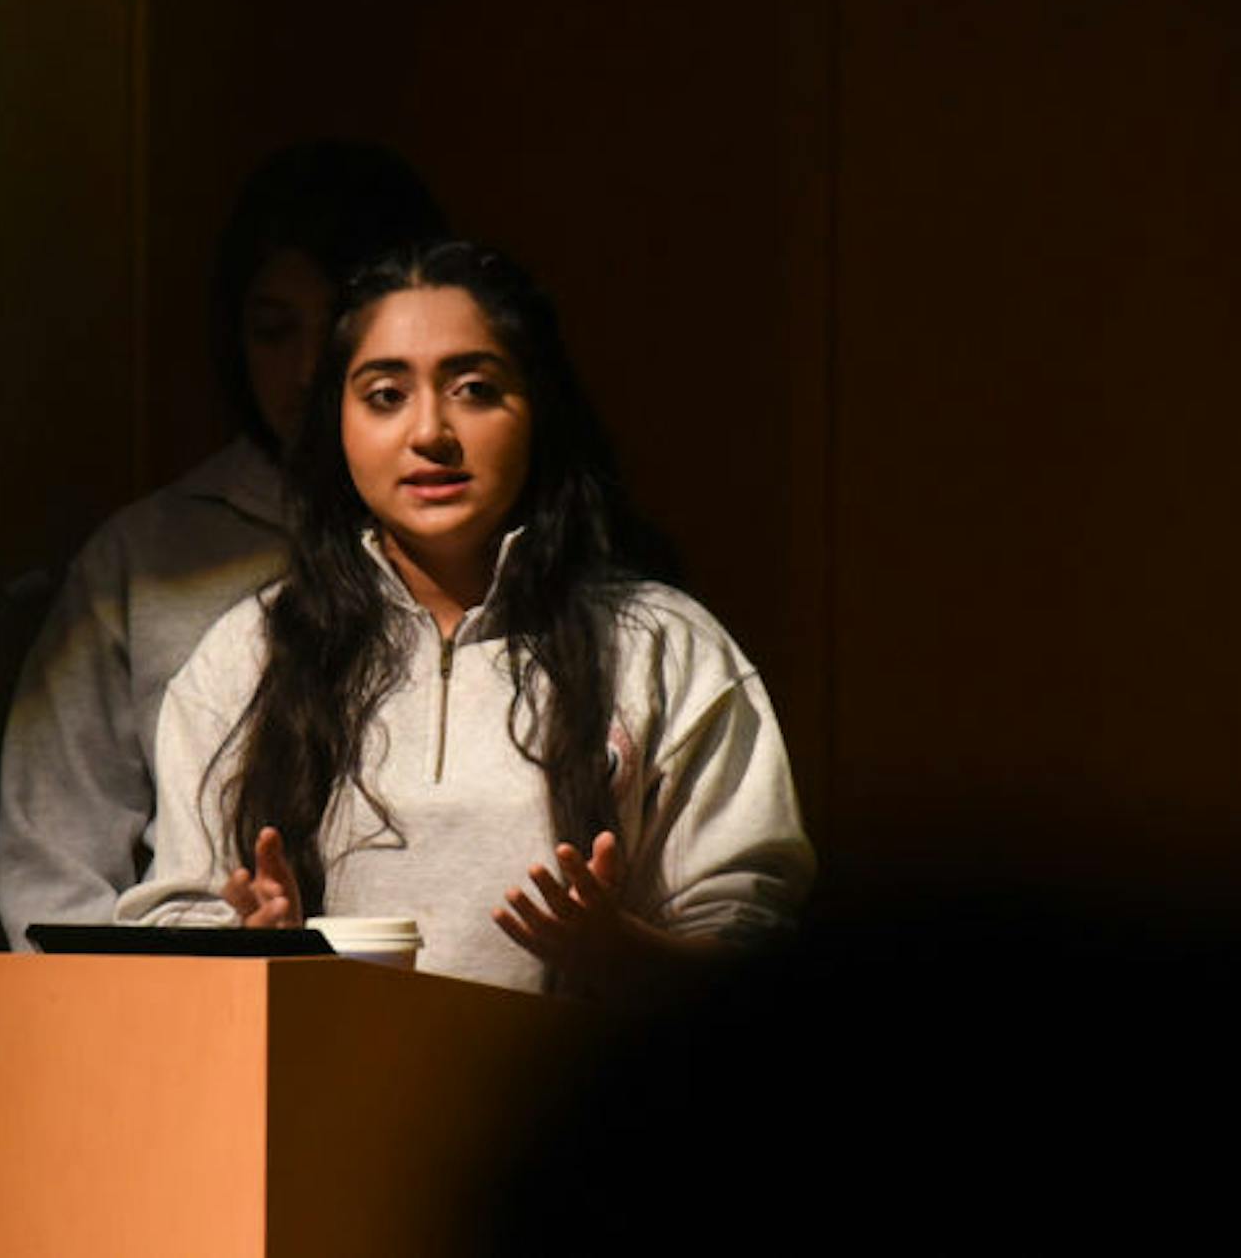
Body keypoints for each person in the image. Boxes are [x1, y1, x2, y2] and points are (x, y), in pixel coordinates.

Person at [116, 240, 814, 993]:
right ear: (337, 423)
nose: (430, 434)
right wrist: (251, 956)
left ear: (539, 407)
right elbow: (174, 919)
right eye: (385, 395)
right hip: (312, 1100)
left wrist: (631, 953)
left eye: (475, 389)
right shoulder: (249, 654)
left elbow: (751, 927)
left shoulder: (662, 645)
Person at [0, 142, 447, 948]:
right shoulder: (150, 558)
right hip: (187, 1033)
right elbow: (54, 870)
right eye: (274, 331)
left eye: (342, 325)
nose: (310, 369)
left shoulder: (483, 546)